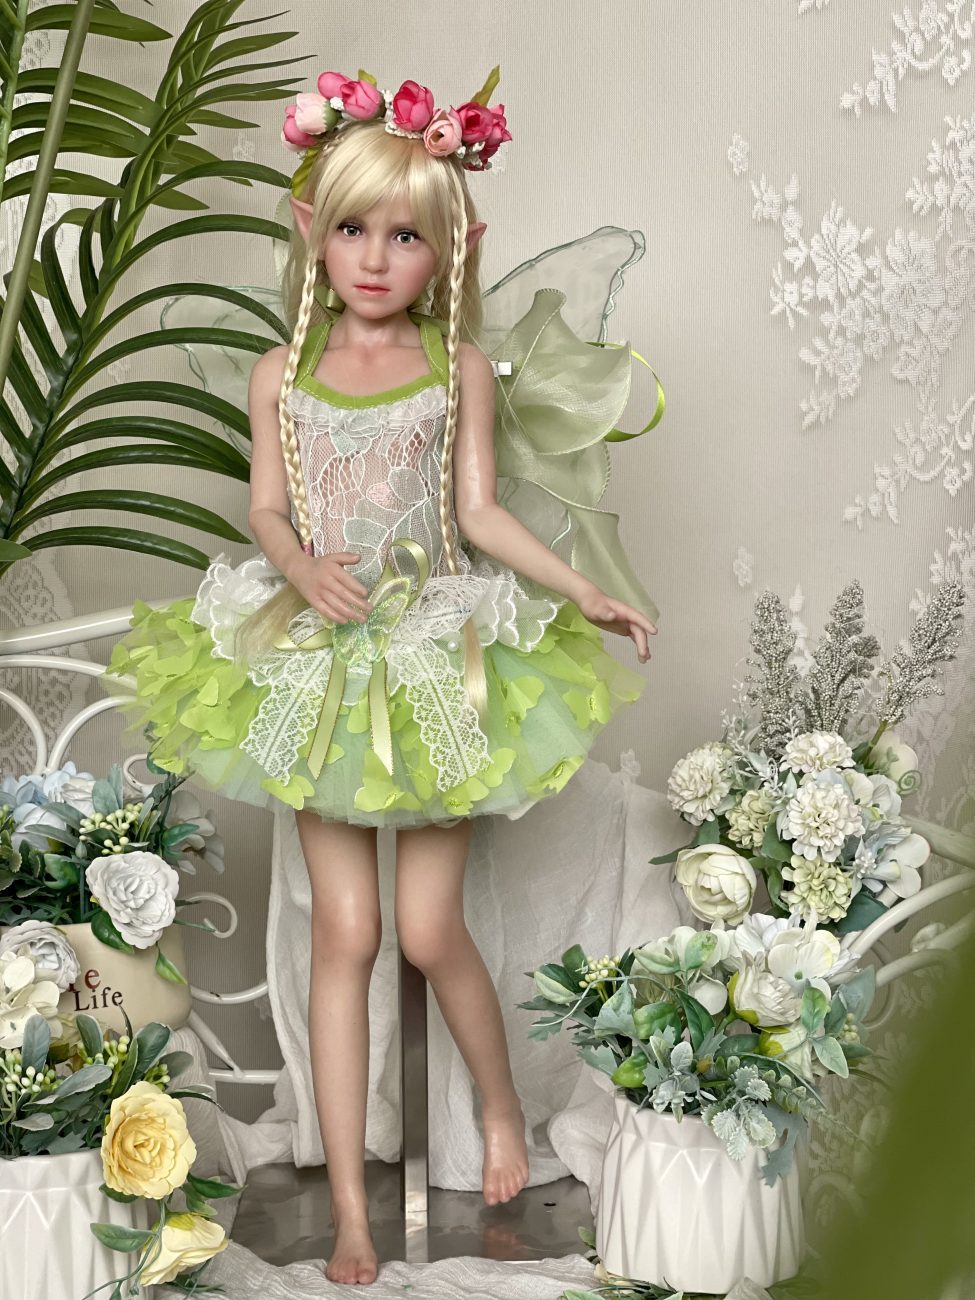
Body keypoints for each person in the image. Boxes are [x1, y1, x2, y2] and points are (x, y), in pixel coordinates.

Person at [104, 66, 660, 1286]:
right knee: (345, 931)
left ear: (447, 249)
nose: (375, 257)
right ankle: (352, 1210)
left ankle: (500, 1104)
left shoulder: (457, 370)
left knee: (425, 925)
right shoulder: (281, 373)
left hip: (436, 661)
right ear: (314, 229)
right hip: (319, 666)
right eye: (354, 229)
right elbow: (266, 505)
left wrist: (583, 588)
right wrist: (301, 566)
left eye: (405, 236)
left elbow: (479, 513)